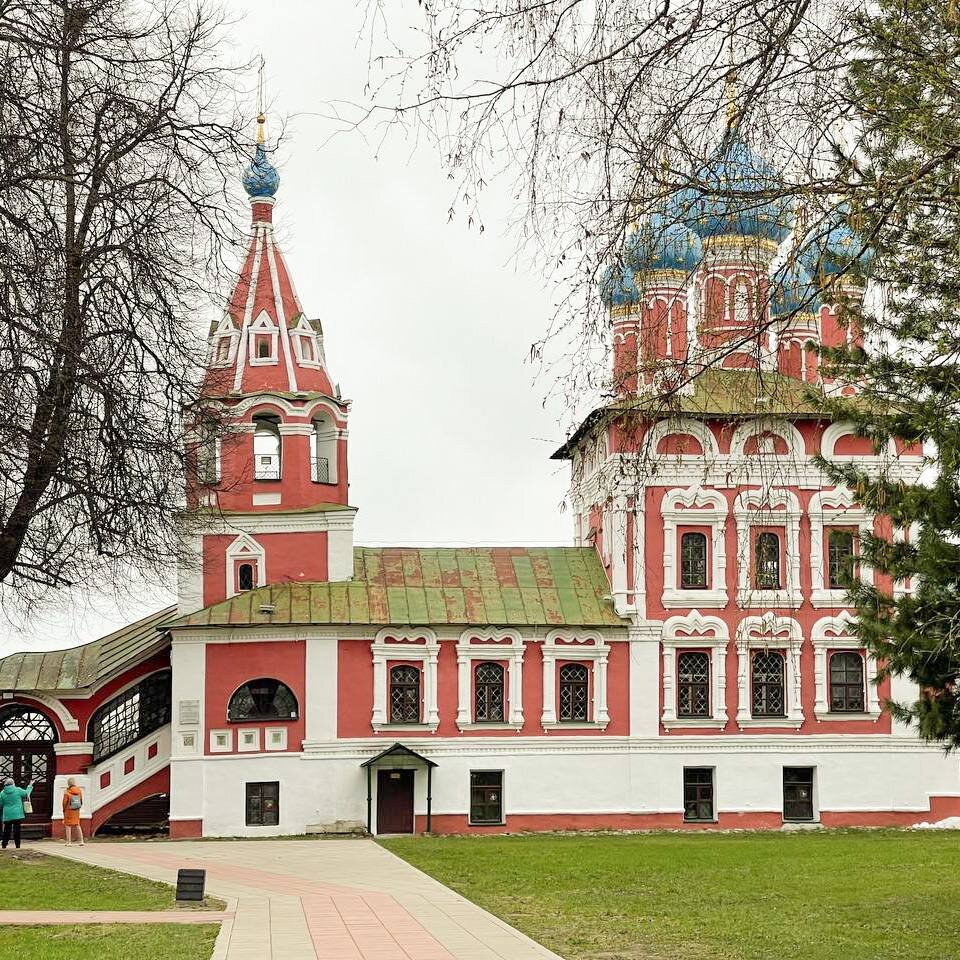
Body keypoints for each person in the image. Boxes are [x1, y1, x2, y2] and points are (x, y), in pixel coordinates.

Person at [1, 776, 34, 850]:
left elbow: (1, 804)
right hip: (17, 814)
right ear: (13, 783)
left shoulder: (2, 793)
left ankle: (4, 845)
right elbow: (26, 793)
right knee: (17, 830)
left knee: (7, 831)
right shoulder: (18, 790)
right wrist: (30, 785)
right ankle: (17, 845)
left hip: (7, 815)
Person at [62, 777, 84, 846]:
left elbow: (64, 803)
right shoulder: (79, 791)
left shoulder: (67, 792)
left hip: (69, 811)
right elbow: (81, 801)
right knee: (77, 825)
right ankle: (81, 841)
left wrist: (64, 810)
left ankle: (69, 842)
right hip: (76, 810)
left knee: (68, 826)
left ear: (68, 784)